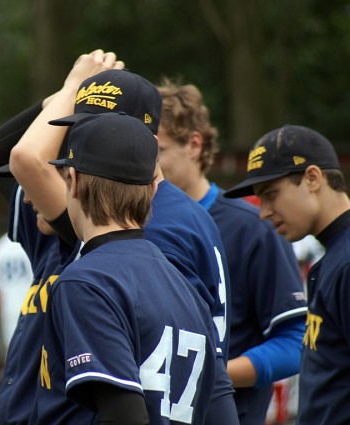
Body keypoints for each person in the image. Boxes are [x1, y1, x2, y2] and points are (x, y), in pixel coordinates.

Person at [30, 112, 217, 423]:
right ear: (153, 189)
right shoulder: (186, 286)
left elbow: (124, 416)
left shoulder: (87, 281)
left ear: (73, 182)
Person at [0, 50, 123, 425]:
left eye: (41, 182)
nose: (28, 197)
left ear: (75, 180)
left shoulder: (83, 238)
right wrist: (66, 96)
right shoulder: (44, 238)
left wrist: (74, 87)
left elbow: (24, 158)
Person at [155, 80, 307, 425]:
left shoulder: (252, 227)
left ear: (194, 144)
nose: (149, 163)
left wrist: (207, 375)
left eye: (159, 150)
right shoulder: (133, 225)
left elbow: (295, 342)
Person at [222, 124, 350, 425]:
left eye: (271, 194)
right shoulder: (333, 258)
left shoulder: (345, 262)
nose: (263, 212)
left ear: (313, 178)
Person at [0, 233, 33, 350]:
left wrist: (2, 312)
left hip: (10, 311)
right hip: (33, 310)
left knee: (14, 353)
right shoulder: (33, 241)